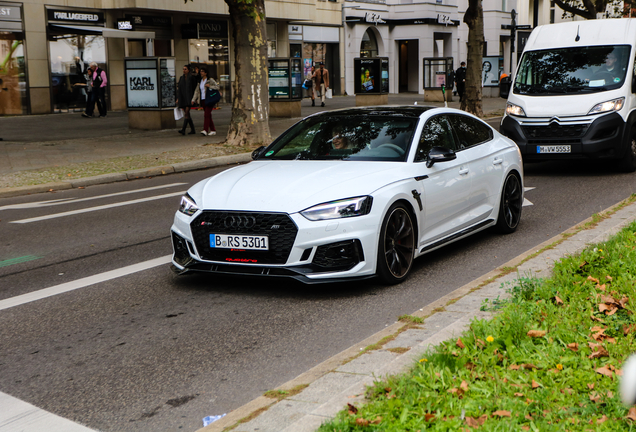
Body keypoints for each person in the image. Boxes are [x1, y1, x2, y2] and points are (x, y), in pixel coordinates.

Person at [192, 67, 219, 136]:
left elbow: (217, 87)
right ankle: (213, 130)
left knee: (206, 115)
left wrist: (210, 86)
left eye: (203, 71)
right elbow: (197, 91)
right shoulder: (200, 81)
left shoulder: (210, 80)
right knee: (208, 115)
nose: (201, 72)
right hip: (202, 99)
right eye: (200, 71)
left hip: (209, 99)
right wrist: (194, 99)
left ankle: (205, 130)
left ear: (206, 73)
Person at [176, 64, 197, 135]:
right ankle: (193, 129)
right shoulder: (181, 78)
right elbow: (179, 89)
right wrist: (178, 98)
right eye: (183, 69)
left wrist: (195, 98)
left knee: (186, 113)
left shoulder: (191, 78)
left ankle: (183, 129)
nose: (184, 70)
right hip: (183, 98)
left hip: (189, 98)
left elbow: (195, 89)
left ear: (188, 70)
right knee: (187, 114)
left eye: (185, 69)